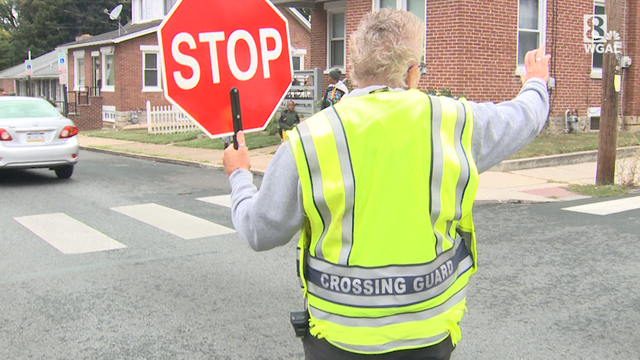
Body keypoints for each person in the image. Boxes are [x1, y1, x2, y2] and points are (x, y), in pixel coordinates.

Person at [223, 8, 550, 360]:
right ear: (412, 74)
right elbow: (524, 117)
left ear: (352, 71)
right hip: (429, 336)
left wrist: (239, 175)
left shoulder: (310, 140)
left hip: (339, 342)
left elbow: (259, 230)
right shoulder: (453, 123)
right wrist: (535, 82)